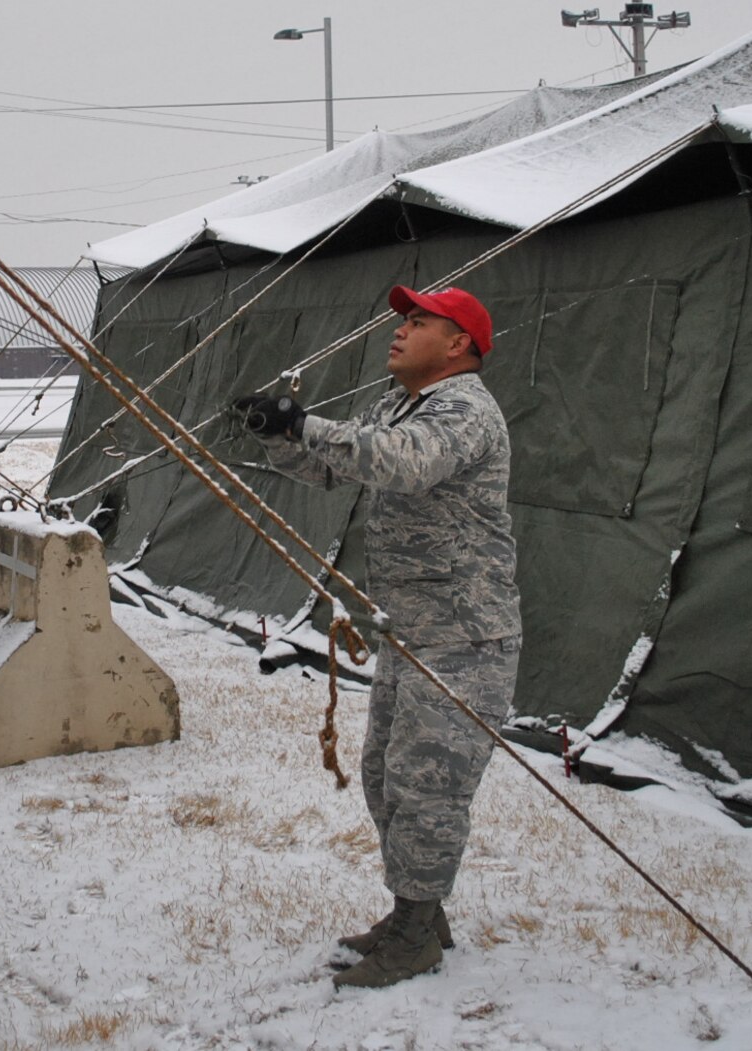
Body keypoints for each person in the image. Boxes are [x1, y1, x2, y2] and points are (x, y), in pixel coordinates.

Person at [232, 285, 521, 990]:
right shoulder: (398, 405)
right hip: (413, 634)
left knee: (428, 791)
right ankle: (417, 912)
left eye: (419, 321)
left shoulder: (464, 410)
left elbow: (403, 462)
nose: (400, 330)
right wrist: (273, 430)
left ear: (459, 344)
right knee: (386, 779)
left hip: (465, 639)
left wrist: (304, 423)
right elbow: (338, 466)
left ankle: (418, 933)